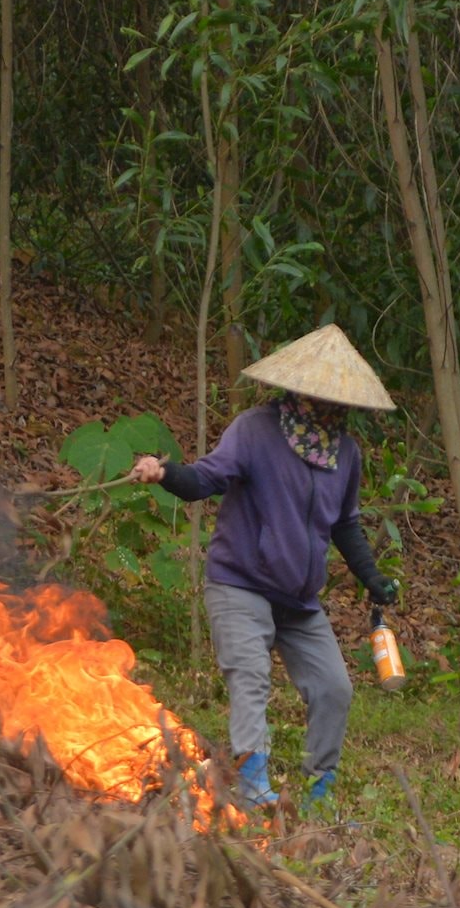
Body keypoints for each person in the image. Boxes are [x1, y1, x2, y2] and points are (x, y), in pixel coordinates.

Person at [131, 324, 397, 808]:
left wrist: (372, 577)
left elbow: (345, 526)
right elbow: (204, 480)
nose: (335, 409)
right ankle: (253, 790)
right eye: (325, 398)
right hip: (241, 585)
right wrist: (164, 472)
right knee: (252, 678)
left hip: (298, 600)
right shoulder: (255, 430)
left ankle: (321, 793)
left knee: (334, 687)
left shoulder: (346, 453)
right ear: (299, 391)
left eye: (342, 402)